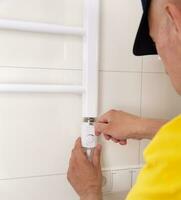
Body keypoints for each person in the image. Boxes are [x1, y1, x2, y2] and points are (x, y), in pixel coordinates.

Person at [67, 0, 181, 199]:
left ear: (175, 21)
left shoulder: (173, 158)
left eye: (156, 45)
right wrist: (142, 127)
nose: (163, 67)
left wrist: (89, 191)